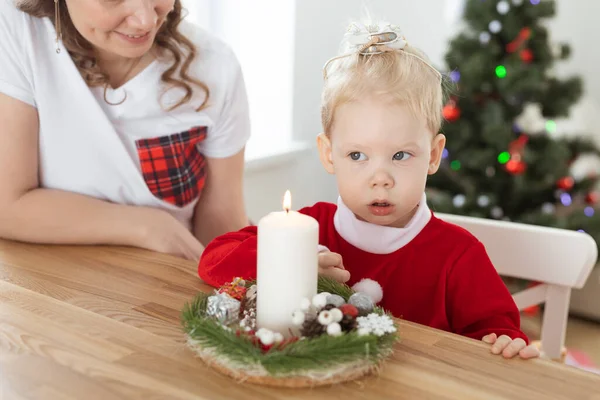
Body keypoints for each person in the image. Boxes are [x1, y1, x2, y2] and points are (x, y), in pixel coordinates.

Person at [197, 20, 540, 360]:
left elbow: (499, 336)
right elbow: (212, 262)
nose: (381, 178)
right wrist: (290, 263)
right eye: (357, 155)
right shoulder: (305, 230)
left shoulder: (460, 256)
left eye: (400, 155)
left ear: (433, 155)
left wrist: (506, 342)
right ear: (329, 154)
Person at [0, 0, 250, 261]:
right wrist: (149, 227)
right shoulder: (18, 30)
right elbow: (6, 205)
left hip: (167, 288)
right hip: (50, 285)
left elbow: (221, 218)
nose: (145, 21)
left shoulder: (215, 65)